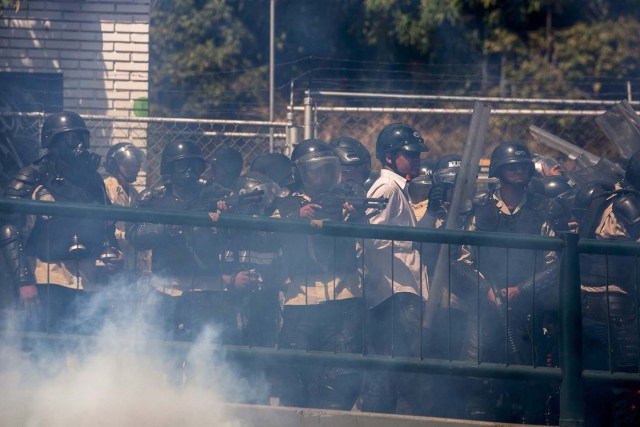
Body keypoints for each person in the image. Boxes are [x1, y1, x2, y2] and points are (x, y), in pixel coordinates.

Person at [457, 142, 566, 423]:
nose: (518, 171)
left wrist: (523, 289)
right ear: (499, 171)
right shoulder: (480, 209)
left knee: (529, 380)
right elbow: (461, 260)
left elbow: (555, 262)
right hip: (485, 307)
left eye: (522, 166)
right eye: (511, 166)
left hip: (528, 309)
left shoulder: (545, 209)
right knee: (477, 377)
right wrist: (486, 291)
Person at [0, 111, 122, 333]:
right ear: (52, 143)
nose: (81, 146)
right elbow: (9, 229)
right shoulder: (32, 176)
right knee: (45, 347)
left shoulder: (93, 180)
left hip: (89, 277)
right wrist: (23, 280)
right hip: (47, 275)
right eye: (72, 139)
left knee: (87, 348)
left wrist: (113, 251)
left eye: (83, 138)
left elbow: (106, 224)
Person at [276, 138, 364, 411]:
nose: (323, 175)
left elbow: (366, 236)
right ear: (298, 172)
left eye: (328, 169)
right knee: (298, 377)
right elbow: (268, 235)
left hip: (344, 296)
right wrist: (298, 217)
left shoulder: (345, 197)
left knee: (342, 377)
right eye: (316, 170)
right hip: (301, 300)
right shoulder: (287, 203)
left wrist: (356, 213)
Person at [130, 140, 233, 342]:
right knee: (165, 350)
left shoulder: (213, 195)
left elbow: (237, 235)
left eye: (195, 166)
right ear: (169, 168)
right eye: (182, 165)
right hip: (168, 285)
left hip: (206, 285)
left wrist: (224, 220)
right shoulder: (155, 200)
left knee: (206, 350)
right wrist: (168, 229)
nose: (189, 172)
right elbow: (135, 234)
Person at [360, 123, 430, 416]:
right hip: (393, 292)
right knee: (394, 369)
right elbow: (373, 236)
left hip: (401, 289)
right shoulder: (387, 188)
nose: (416, 159)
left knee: (398, 367)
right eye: (409, 154)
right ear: (389, 156)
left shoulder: (399, 188)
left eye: (417, 154)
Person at [577, 150, 640, 427]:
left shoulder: (608, 198)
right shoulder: (628, 205)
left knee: (601, 389)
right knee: (626, 387)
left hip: (593, 308)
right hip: (613, 311)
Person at [103, 142, 145, 272]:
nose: (133, 168)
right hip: (111, 258)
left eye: (135, 164)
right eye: (127, 164)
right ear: (114, 165)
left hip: (129, 260)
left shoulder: (134, 193)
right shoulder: (106, 188)